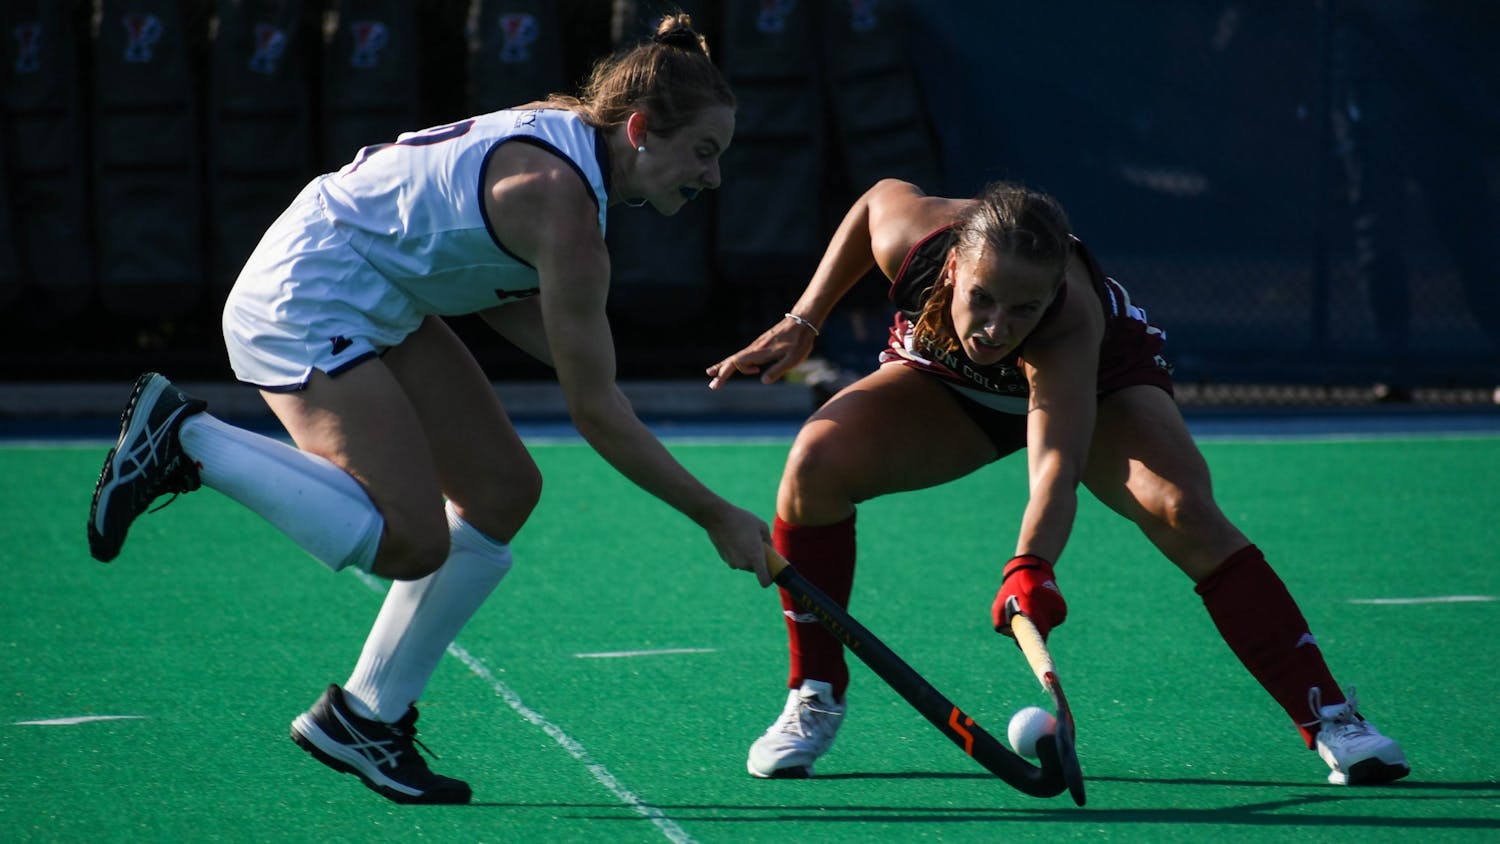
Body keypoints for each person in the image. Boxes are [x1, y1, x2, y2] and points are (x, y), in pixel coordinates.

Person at [86, 14, 771, 806]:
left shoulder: (570, 142)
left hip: (377, 286)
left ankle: (363, 718)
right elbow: (595, 412)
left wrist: (600, 366)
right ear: (643, 129)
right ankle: (186, 441)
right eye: (705, 151)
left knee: (502, 491)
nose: (714, 178)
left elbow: (484, 278)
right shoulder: (567, 212)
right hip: (305, 294)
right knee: (411, 543)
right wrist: (717, 514)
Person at [706, 178, 1410, 786]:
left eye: (1023, 309)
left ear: (1050, 296)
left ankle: (1330, 716)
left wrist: (1030, 566)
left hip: (1098, 388)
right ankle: (815, 691)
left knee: (1182, 510)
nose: (996, 328)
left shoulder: (1069, 323)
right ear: (953, 267)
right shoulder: (914, 237)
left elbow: (1055, 467)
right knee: (813, 465)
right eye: (983, 298)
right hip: (950, 387)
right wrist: (805, 319)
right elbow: (871, 204)